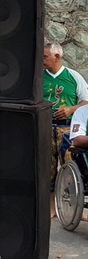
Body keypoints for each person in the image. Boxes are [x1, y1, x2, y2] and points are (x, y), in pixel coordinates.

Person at [44, 42, 88, 217]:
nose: (42, 60)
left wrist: (71, 109)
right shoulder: (38, 77)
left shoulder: (73, 76)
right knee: (48, 168)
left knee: (70, 167)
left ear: (57, 57)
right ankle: (52, 207)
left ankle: (73, 208)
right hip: (45, 127)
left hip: (67, 128)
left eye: (45, 57)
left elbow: (85, 101)